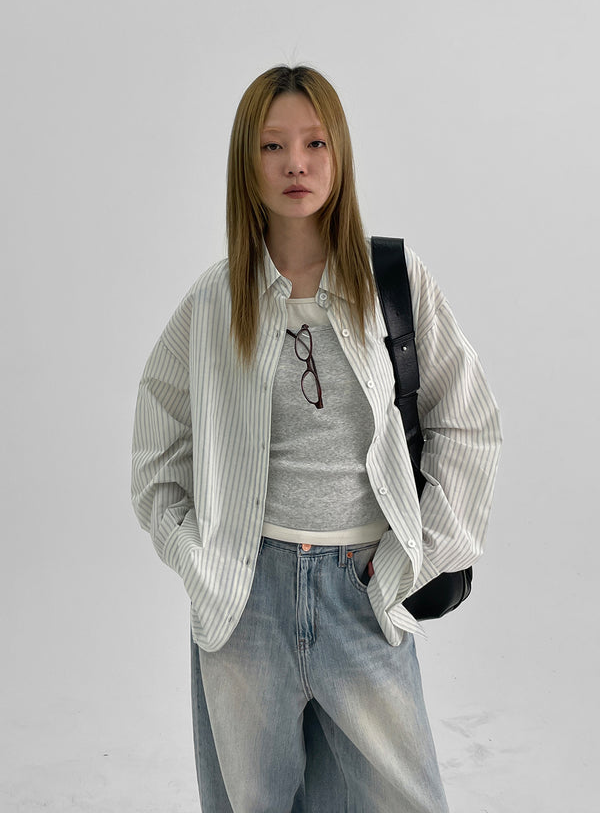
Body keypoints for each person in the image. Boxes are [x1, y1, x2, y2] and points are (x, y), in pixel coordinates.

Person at [131, 65, 502, 813]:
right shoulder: (214, 302)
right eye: (272, 146)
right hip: (247, 600)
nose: (295, 163)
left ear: (340, 155)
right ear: (247, 163)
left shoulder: (393, 279)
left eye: (314, 143)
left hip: (361, 589)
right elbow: (157, 452)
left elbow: (469, 422)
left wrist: (413, 559)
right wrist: (201, 561)